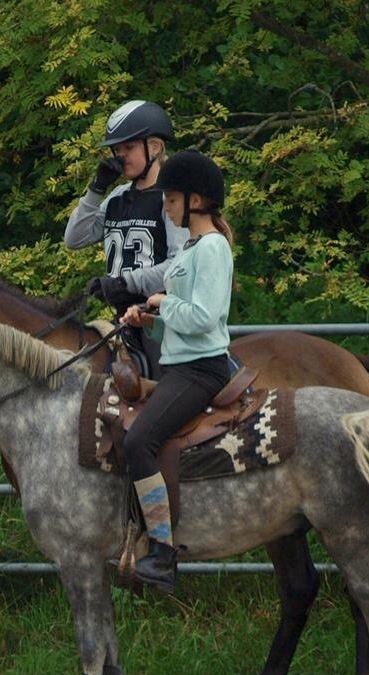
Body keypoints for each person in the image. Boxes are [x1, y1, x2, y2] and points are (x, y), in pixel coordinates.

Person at [120, 149, 234, 593]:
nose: (165, 207)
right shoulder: (191, 248)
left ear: (195, 200)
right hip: (178, 366)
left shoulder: (212, 248)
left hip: (200, 370)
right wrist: (151, 316)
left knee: (137, 441)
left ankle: (163, 552)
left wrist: (164, 302)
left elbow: (205, 317)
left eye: (171, 200)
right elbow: (185, 313)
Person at [64, 100, 190, 378]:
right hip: (120, 318)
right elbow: (74, 238)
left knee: (162, 382)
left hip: (158, 318)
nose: (121, 156)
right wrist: (96, 189)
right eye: (117, 150)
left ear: (154, 147)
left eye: (129, 148)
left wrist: (125, 282)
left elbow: (179, 264)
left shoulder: (169, 197)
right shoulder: (117, 197)